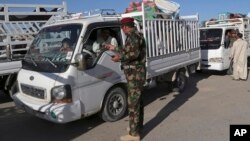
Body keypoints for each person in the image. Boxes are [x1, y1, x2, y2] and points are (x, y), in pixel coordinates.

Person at [105, 17, 146, 141]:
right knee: (138, 102)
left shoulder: (133, 36)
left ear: (125, 27)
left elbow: (133, 54)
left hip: (135, 74)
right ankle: (136, 127)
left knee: (133, 103)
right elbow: (129, 50)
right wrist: (114, 48)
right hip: (136, 74)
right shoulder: (135, 35)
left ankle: (134, 135)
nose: (122, 30)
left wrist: (119, 58)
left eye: (122, 28)